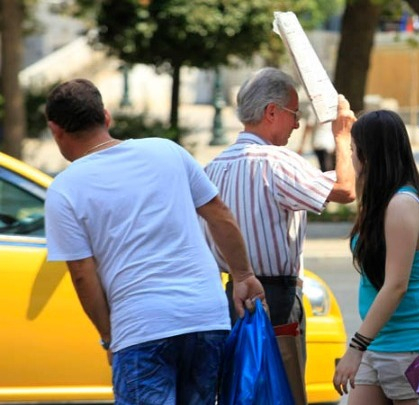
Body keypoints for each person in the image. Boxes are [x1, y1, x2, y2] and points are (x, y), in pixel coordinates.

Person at [43, 79, 264, 404]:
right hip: (205, 318)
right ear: (106, 116)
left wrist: (109, 338)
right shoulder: (167, 151)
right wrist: (243, 275)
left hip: (142, 329)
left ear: (55, 130)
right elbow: (219, 215)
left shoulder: (64, 190)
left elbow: (81, 274)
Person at [203, 67, 356, 405]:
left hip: (231, 299)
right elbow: (346, 189)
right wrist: (342, 136)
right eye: (293, 114)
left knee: (239, 394)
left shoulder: (212, 167)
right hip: (276, 299)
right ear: (271, 111)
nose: (297, 124)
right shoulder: (278, 162)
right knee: (283, 392)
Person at [332, 110, 419, 404]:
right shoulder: (379, 203)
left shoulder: (402, 205)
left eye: (353, 151)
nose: (351, 159)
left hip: (409, 348)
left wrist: (355, 346)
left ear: (369, 156)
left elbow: (396, 285)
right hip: (377, 343)